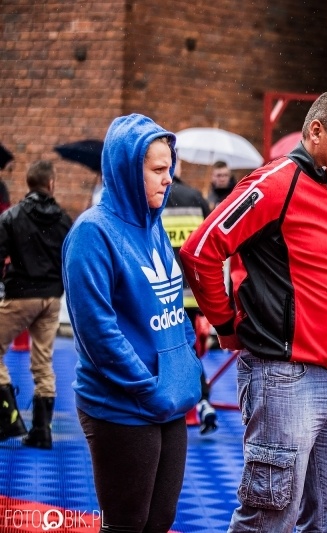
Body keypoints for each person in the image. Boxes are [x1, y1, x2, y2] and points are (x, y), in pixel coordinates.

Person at [180, 89, 327, 532]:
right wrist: (226, 325)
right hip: (285, 378)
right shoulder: (275, 182)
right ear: (316, 132)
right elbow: (201, 251)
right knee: (270, 516)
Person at [62, 114, 202, 532]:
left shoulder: (154, 227)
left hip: (168, 399)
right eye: (158, 170)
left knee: (160, 521)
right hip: (121, 405)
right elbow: (96, 333)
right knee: (126, 524)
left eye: (170, 169)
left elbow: (173, 310)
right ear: (126, 170)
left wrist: (186, 366)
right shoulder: (93, 233)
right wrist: (148, 388)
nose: (168, 180)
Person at [0, 160, 72, 448]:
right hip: (52, 298)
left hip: (21, 295)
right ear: (51, 183)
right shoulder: (65, 220)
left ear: (29, 184)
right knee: (43, 363)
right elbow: (70, 260)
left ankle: (9, 418)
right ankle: (42, 431)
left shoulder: (12, 217)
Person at [161, 156, 217, 435]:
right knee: (190, 350)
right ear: (178, 167)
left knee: (171, 353)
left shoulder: (153, 197)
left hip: (162, 294)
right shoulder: (196, 198)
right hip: (192, 293)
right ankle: (201, 401)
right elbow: (209, 247)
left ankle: (189, 402)